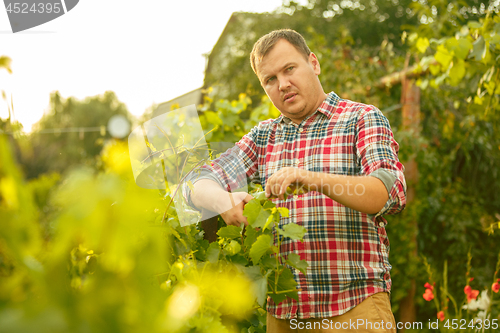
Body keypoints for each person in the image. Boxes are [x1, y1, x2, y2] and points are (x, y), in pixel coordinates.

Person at [186, 29, 406, 333]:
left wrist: (312, 179)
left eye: (289, 69)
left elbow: (387, 192)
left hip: (356, 308)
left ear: (313, 63)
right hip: (284, 316)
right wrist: (223, 202)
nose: (283, 84)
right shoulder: (264, 136)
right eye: (270, 79)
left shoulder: (361, 118)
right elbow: (198, 181)